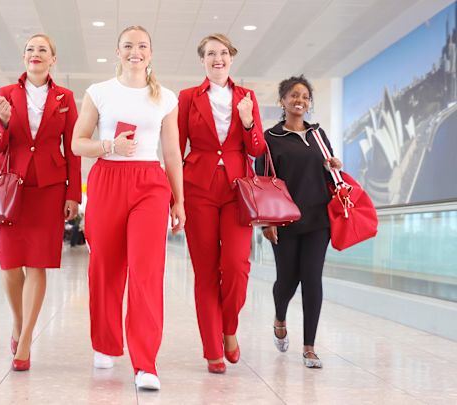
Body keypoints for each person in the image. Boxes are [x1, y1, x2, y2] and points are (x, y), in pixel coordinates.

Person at [71, 25, 185, 391]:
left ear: (151, 53)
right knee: (105, 267)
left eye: (142, 46)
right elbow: (77, 144)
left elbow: (171, 154)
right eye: (128, 46)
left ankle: (146, 362)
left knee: (146, 271)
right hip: (108, 179)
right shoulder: (99, 92)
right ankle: (105, 344)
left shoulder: (166, 98)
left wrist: (178, 199)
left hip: (150, 184)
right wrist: (109, 146)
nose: (135, 51)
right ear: (117, 52)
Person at [0, 34, 81, 371]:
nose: (36, 54)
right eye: (30, 49)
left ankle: (25, 339)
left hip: (50, 187)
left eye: (43, 50)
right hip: (14, 187)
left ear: (53, 59)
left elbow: (72, 148)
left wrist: (74, 194)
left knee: (38, 263)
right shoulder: (7, 95)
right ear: (23, 58)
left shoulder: (65, 97)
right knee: (11, 265)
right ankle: (17, 321)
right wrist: (4, 121)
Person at [177, 33, 267, 374]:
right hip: (197, 188)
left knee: (235, 266)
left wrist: (247, 121)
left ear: (232, 58)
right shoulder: (187, 97)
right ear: (202, 60)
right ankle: (212, 347)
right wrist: (176, 200)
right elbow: (176, 147)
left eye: (224, 53)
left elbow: (256, 149)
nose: (218, 58)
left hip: (236, 190)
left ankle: (229, 328)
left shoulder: (247, 97)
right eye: (211, 53)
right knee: (204, 272)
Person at [255, 75, 342, 369]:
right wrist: (268, 222)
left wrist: (333, 167)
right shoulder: (270, 138)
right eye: (293, 95)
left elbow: (329, 174)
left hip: (319, 219)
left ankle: (309, 347)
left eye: (305, 96)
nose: (299, 100)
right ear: (282, 101)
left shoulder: (318, 135)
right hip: (285, 220)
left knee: (312, 278)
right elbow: (264, 180)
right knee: (287, 280)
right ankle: (280, 316)